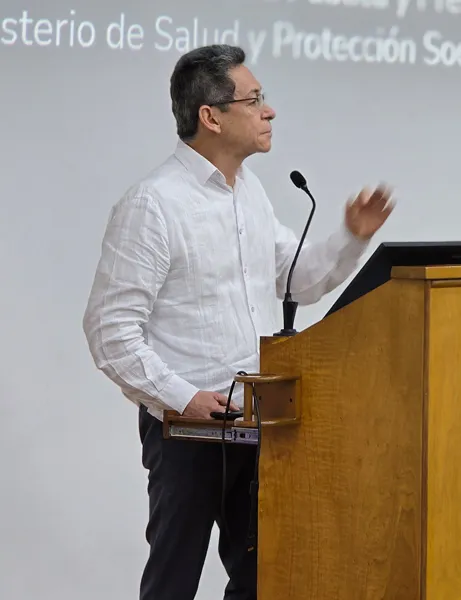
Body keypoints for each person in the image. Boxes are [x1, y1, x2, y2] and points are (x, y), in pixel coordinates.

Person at [82, 44, 394, 600]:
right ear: (211, 116)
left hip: (255, 419)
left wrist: (353, 237)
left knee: (262, 580)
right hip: (186, 430)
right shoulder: (153, 205)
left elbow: (297, 281)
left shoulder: (248, 192)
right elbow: (110, 331)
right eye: (254, 100)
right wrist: (182, 397)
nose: (269, 111)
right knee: (174, 582)